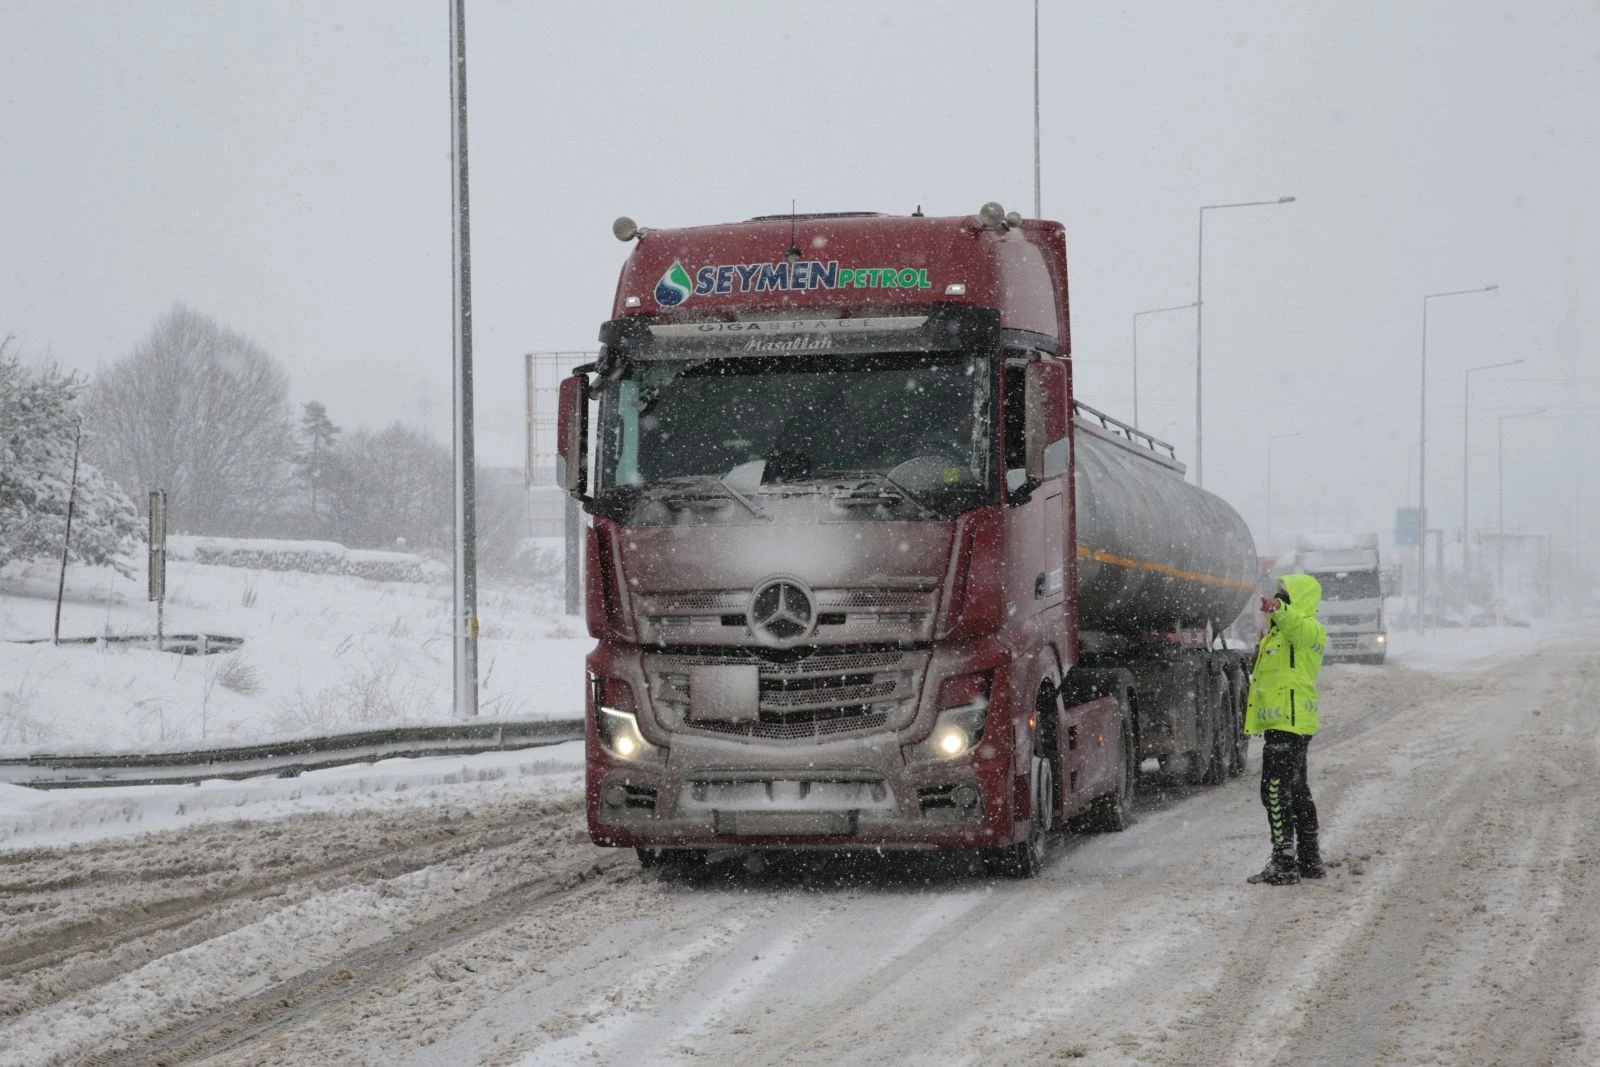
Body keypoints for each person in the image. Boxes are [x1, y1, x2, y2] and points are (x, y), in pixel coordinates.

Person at [1243, 572, 1327, 886]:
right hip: (1286, 721)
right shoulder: (1278, 635)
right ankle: (1309, 858)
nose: (1279, 599)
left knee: (1275, 789)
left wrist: (1279, 609)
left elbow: (1295, 624)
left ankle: (1284, 861)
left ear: (1299, 600)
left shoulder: (1309, 629)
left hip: (1290, 722)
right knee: (1297, 789)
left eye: (1286, 595)